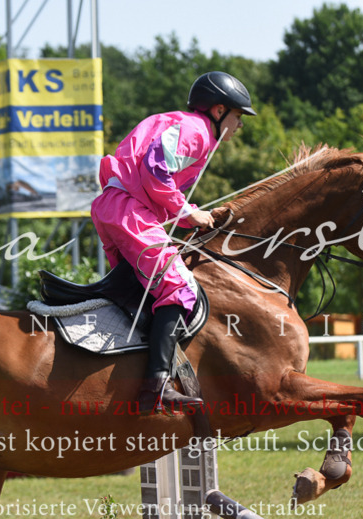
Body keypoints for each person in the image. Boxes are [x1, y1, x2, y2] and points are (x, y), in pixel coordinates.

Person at [90, 71, 257, 413]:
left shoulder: (179, 123)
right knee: (178, 288)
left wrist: (192, 216)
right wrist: (189, 212)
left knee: (142, 292)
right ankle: (157, 386)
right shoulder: (197, 131)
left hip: (114, 207)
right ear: (219, 110)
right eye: (238, 116)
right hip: (128, 211)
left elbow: (153, 187)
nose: (239, 125)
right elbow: (155, 171)